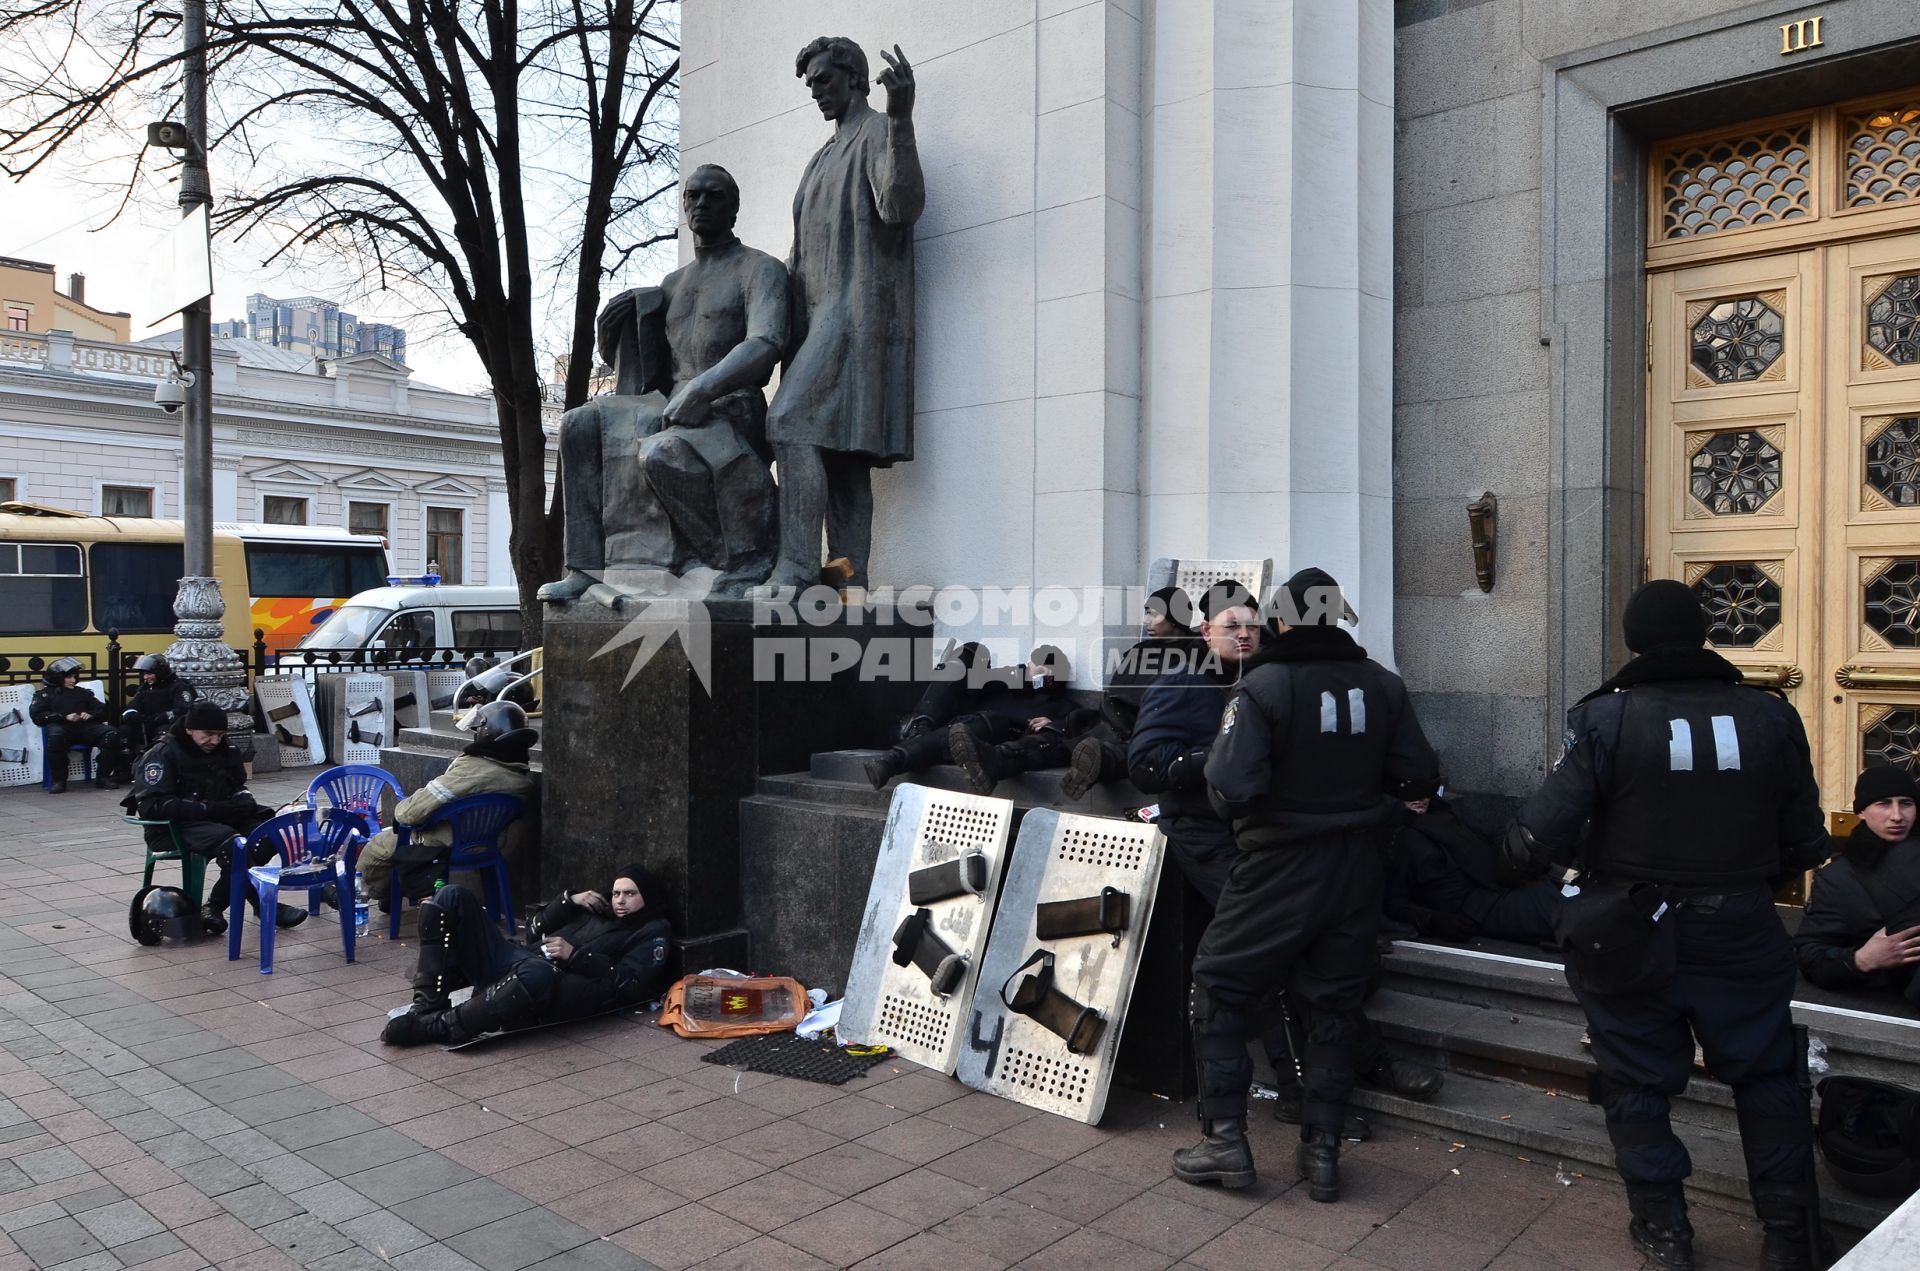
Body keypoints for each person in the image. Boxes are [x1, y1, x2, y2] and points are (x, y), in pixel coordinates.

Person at [1509, 579, 1832, 1271]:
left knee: (1634, 1079)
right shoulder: (1771, 716)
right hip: (1742, 926)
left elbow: (1538, 834)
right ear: (1702, 634)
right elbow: (1807, 842)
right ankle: (1785, 1233)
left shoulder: (1604, 719)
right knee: (1768, 1075)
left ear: (1633, 639)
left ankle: (1665, 1229)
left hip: (1631, 931)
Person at [1173, 568, 1439, 1200]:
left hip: (1277, 865)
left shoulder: (1261, 687)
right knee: (1335, 1004)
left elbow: (1232, 786)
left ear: (1283, 622)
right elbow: (1418, 778)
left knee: (1219, 986)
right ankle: (1322, 1153)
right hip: (1356, 868)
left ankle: (1225, 1144)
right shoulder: (1385, 686)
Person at [541, 164, 787, 601]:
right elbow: (644, 371)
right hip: (670, 403)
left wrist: (703, 388)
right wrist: (608, 334)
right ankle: (585, 568)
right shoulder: (672, 284)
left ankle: (726, 560)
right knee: (577, 424)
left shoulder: (759, 269)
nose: (701, 204)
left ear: (734, 208)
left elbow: (766, 342)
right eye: (693, 196)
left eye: (714, 197)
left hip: (730, 406)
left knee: (663, 451)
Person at [758, 36, 925, 591]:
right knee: (842, 456)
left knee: (788, 423)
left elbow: (900, 207)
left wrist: (901, 119)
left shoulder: (877, 132)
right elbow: (800, 250)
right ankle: (851, 576)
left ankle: (799, 565)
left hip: (855, 314)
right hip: (813, 316)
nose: (817, 93)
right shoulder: (822, 156)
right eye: (810, 86)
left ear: (855, 77)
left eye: (824, 80)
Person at [380, 864, 673, 1046]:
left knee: (538, 972)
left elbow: (629, 984)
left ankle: (443, 1026)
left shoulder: (652, 931)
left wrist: (575, 956)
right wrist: (568, 901)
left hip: (548, 981)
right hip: (518, 958)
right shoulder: (597, 909)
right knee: (451, 895)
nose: (620, 900)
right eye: (616, 893)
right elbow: (533, 932)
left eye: (630, 894)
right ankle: (427, 1006)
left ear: (646, 896)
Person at [129, 702, 307, 935]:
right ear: (189, 730)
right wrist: (205, 809)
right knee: (233, 844)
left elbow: (237, 785)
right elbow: (152, 804)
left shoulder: (225, 749)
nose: (214, 740)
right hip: (174, 827)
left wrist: (243, 801)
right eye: (208, 734)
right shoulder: (162, 754)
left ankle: (213, 906)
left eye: (220, 734)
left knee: (269, 833)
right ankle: (266, 905)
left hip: (218, 818)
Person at [356, 700, 540, 907]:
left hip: (445, 844)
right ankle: (392, 891)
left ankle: (361, 893)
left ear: (486, 732)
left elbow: (410, 814)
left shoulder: (473, 769)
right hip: (489, 845)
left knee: (380, 845)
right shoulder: (520, 777)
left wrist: (402, 810)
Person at [862, 645, 1076, 792]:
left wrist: (1053, 725)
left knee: (989, 723)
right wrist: (1022, 675)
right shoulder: (1006, 683)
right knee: (973, 651)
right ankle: (918, 729)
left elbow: (1079, 727)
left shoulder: (1058, 706)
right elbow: (975, 679)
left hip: (978, 736)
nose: (1042, 674)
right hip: (941, 721)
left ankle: (891, 761)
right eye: (1037, 666)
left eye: (1050, 670)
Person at [1059, 586, 1202, 800]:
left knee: (1131, 753)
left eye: (1154, 614)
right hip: (1116, 724)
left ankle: (1098, 761)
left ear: (1174, 619)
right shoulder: (1138, 652)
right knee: (1059, 740)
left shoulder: (1198, 654)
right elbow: (1115, 696)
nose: (1146, 621)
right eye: (1146, 613)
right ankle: (999, 757)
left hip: (1155, 732)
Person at [1795, 766, 1920, 1007]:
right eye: (1883, 804)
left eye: (1906, 803)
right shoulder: (1838, 879)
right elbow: (1811, 954)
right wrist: (1861, 960)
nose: (1896, 815)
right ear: (1861, 811)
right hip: (1894, 1008)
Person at [1385, 781, 1561, 947]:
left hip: (1494, 888)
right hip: (1471, 908)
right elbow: (1394, 901)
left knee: (1551, 899)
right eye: (1410, 790)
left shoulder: (1443, 816)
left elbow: (1487, 839)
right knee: (1553, 916)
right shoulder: (1399, 836)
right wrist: (1434, 920)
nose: (1420, 798)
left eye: (1425, 790)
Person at [29, 656, 126, 792]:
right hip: (61, 729)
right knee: (56, 737)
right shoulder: (43, 695)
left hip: (85, 728)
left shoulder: (82, 693)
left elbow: (102, 709)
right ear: (58, 677)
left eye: (74, 677)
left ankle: (103, 777)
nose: (73, 680)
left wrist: (91, 715)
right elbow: (37, 716)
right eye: (69, 677)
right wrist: (63, 717)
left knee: (111, 734)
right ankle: (59, 780)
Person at [118, 653, 197, 759]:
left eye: (149, 674)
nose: (145, 677)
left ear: (160, 671)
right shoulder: (144, 688)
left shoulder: (178, 686)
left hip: (169, 726)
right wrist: (130, 714)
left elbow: (184, 709)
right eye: (144, 674)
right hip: (146, 725)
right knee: (123, 731)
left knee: (163, 734)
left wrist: (160, 717)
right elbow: (133, 705)